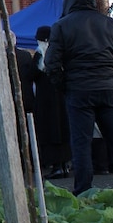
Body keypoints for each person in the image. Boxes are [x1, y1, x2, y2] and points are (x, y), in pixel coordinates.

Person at [44, 0, 113, 194]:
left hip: (78, 90)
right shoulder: (111, 24)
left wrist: (64, 85)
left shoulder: (62, 26)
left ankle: (84, 190)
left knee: (81, 143)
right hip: (106, 88)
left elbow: (52, 64)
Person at [32, 26, 71, 178]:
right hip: (61, 100)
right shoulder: (61, 54)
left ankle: (56, 166)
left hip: (45, 102)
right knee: (62, 131)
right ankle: (64, 165)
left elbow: (31, 74)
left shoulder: (39, 55)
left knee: (50, 132)